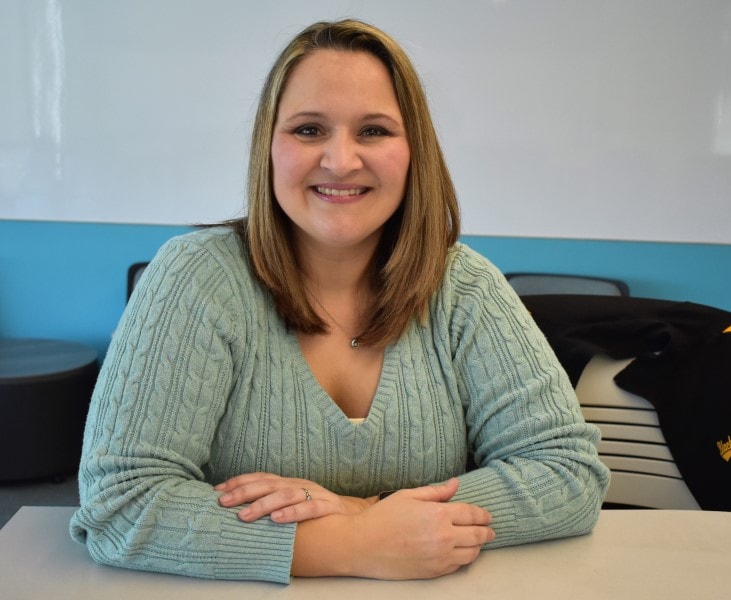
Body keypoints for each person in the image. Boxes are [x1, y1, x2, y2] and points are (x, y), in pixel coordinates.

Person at [70, 19, 609, 584]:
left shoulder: (465, 286)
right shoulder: (195, 277)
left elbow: (568, 474)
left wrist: (364, 511)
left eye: (374, 131)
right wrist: (353, 544)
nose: (341, 160)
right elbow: (120, 504)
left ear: (413, 151)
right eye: (308, 130)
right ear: (269, 147)